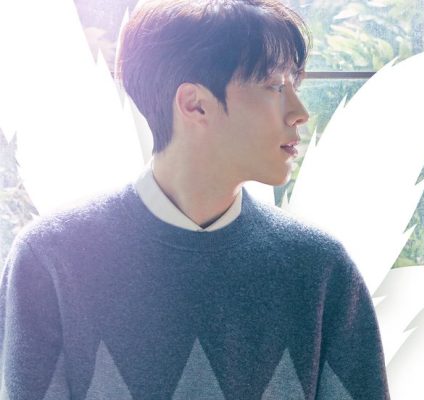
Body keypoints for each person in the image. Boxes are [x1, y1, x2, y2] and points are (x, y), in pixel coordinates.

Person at [0, 0, 389, 399]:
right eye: (274, 86)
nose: (299, 112)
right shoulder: (49, 259)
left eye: (295, 86)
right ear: (194, 104)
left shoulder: (321, 269)